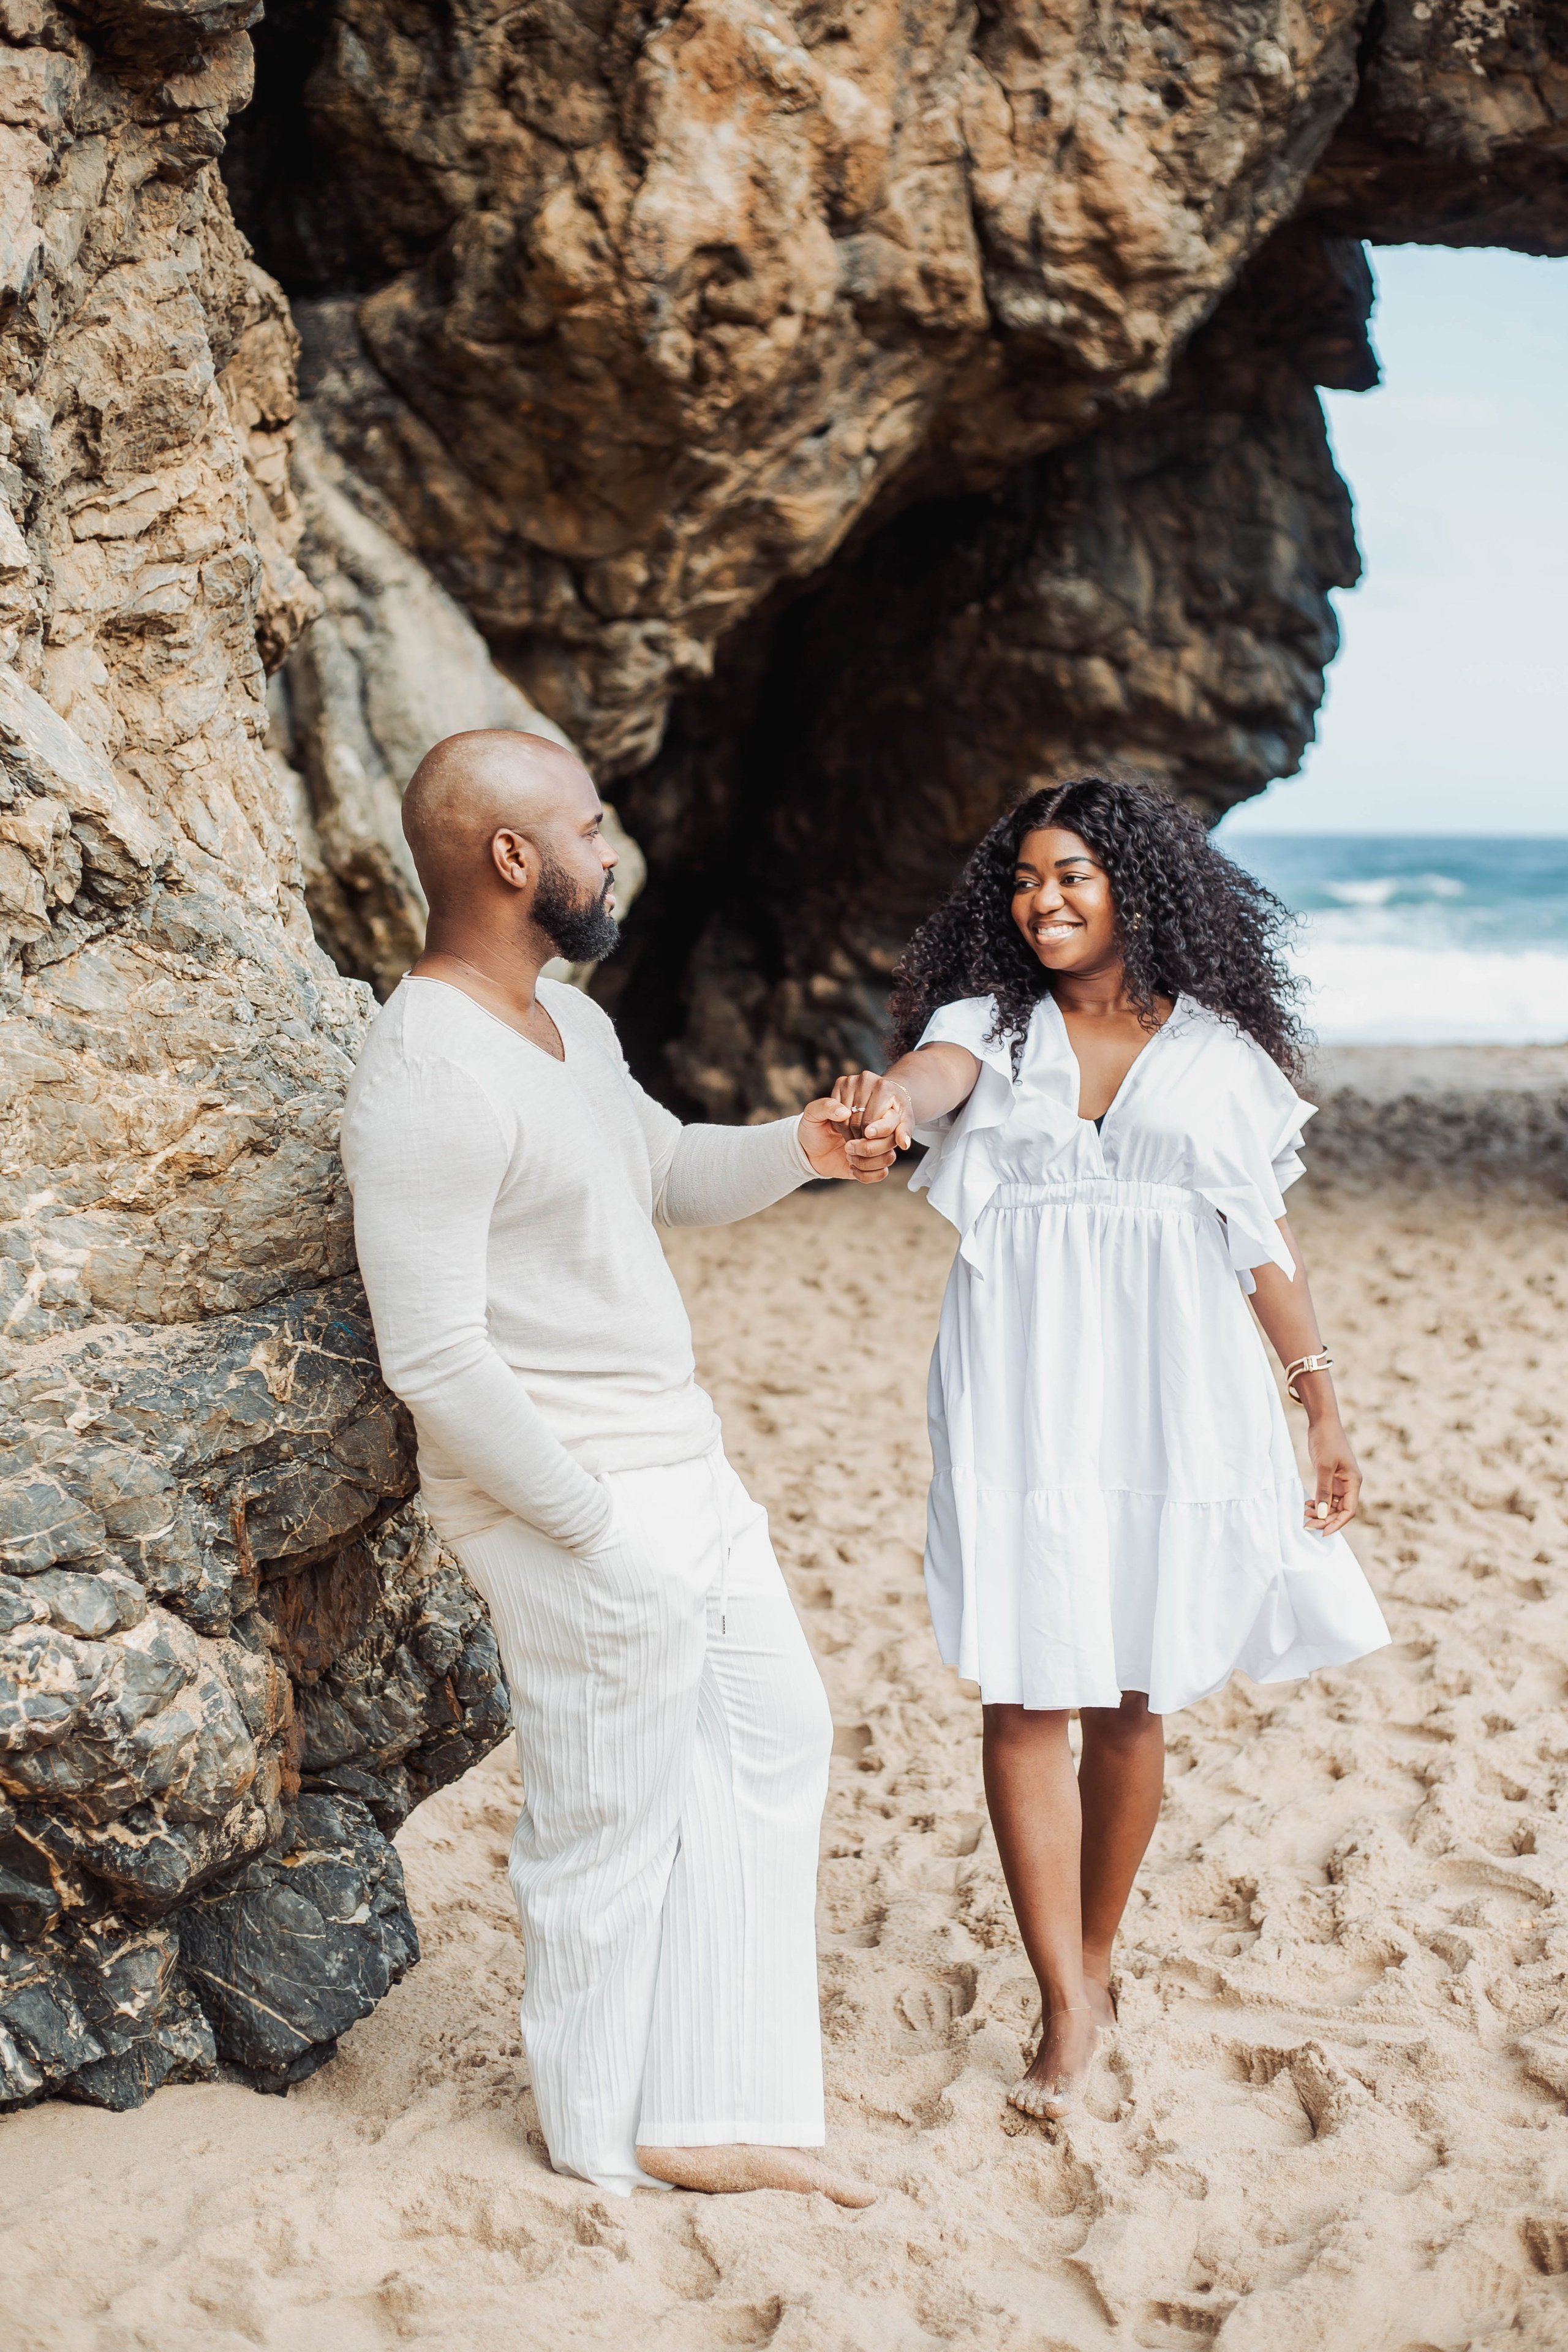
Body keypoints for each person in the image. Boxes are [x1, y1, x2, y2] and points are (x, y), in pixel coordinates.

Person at [339, 729, 888, 2203]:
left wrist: (804, 1150)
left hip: (682, 1462)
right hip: (567, 1502)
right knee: (608, 1814)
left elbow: (659, 1172)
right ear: (511, 859)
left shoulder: (569, 1026)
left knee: (771, 1741)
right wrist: (587, 1527)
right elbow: (435, 1356)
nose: (610, 851)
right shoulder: (426, 1070)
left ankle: (709, 2107)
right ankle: (597, 2141)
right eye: (587, 827)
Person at [832, 776, 1389, 2120]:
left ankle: (1094, 1955)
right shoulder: (988, 1029)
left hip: (1172, 1389)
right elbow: (925, 1080)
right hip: (1021, 1387)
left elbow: (1256, 1240)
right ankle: (1065, 2002)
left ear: (1135, 886)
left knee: (1132, 1689)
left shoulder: (1220, 1056)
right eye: (1023, 880)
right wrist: (887, 1109)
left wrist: (1314, 1397)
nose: (1044, 900)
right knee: (1024, 1685)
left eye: (1071, 873)